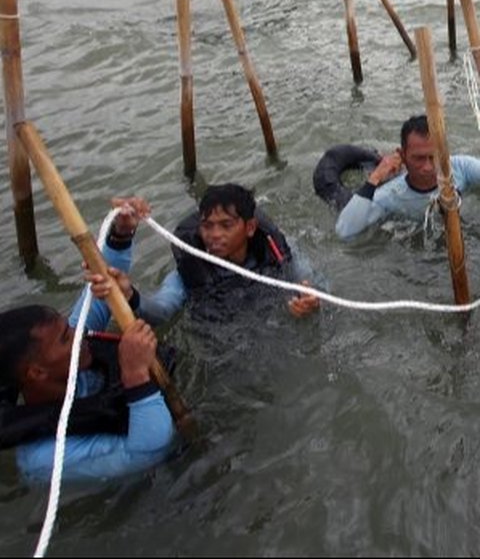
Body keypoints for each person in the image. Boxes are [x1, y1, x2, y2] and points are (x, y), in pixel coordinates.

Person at [0, 293, 176, 482]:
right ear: (37, 372)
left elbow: (99, 290)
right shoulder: (45, 458)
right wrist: (136, 374)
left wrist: (112, 286)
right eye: (66, 338)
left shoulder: (67, 358)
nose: (80, 334)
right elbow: (151, 453)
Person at [88, 185, 320, 324]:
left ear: (250, 228)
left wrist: (310, 302)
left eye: (226, 225)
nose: (214, 235)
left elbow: (314, 284)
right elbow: (162, 310)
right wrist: (130, 295)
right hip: (218, 335)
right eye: (207, 226)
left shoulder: (277, 249)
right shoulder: (188, 271)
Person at [335, 114, 480, 240]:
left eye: (433, 157)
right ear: (402, 155)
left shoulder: (462, 167)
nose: (427, 167)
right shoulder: (390, 196)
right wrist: (376, 176)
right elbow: (345, 232)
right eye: (419, 158)